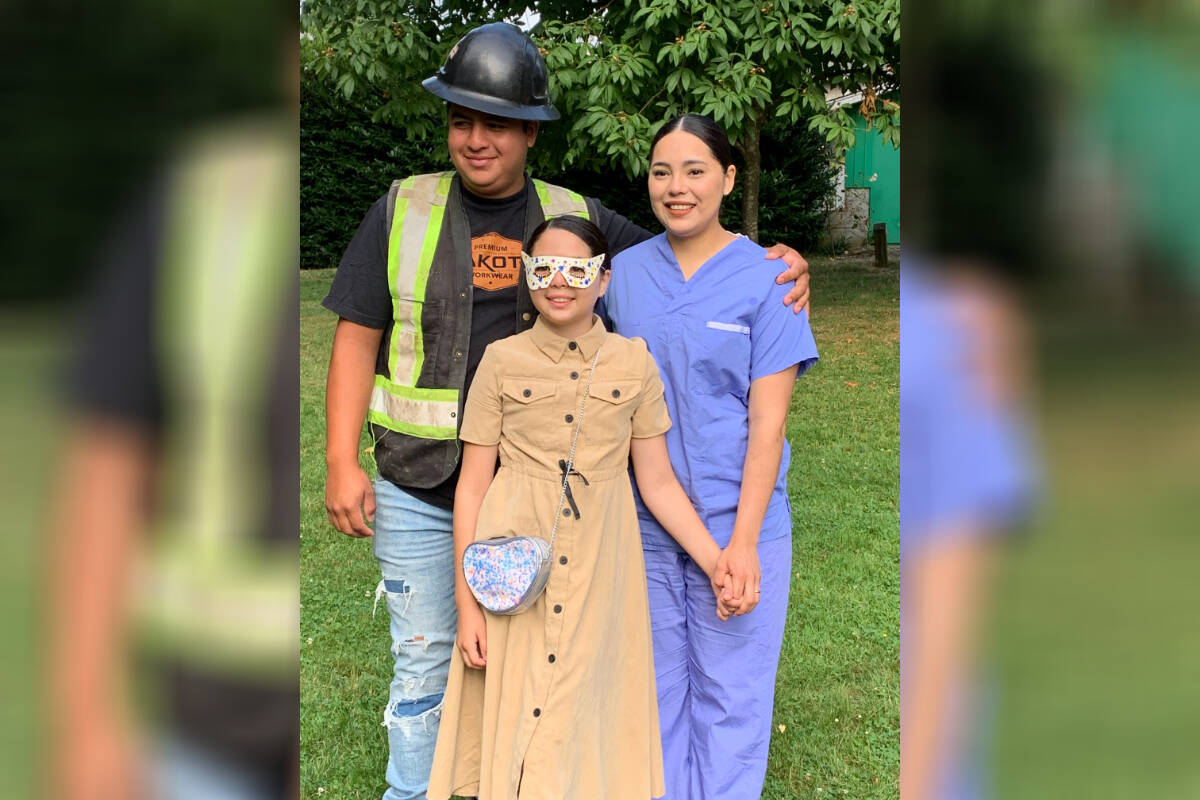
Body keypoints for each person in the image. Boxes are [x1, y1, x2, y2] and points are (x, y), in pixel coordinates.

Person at [320, 22, 811, 800]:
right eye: (460, 120)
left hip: (539, 498)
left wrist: (773, 260)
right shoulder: (401, 209)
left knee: (546, 658)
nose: (476, 139)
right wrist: (339, 459)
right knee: (427, 655)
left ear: (530, 133)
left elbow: (683, 249)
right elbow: (357, 334)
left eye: (497, 124)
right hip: (420, 486)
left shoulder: (572, 215)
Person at [426, 215, 744, 800]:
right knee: (518, 701)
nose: (560, 282)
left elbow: (658, 482)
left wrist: (714, 559)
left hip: (603, 561)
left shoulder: (634, 362)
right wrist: (468, 607)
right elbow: (471, 486)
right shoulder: (499, 360)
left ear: (603, 280)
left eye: (578, 269)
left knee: (583, 707)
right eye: (544, 268)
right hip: (512, 561)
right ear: (526, 275)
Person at [604, 113, 820, 799]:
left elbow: (769, 421)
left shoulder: (770, 278)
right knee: (655, 692)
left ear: (728, 178)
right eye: (662, 171)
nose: (676, 187)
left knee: (732, 699)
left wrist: (746, 543)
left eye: (695, 170)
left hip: (740, 522)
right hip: (644, 524)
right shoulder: (624, 277)